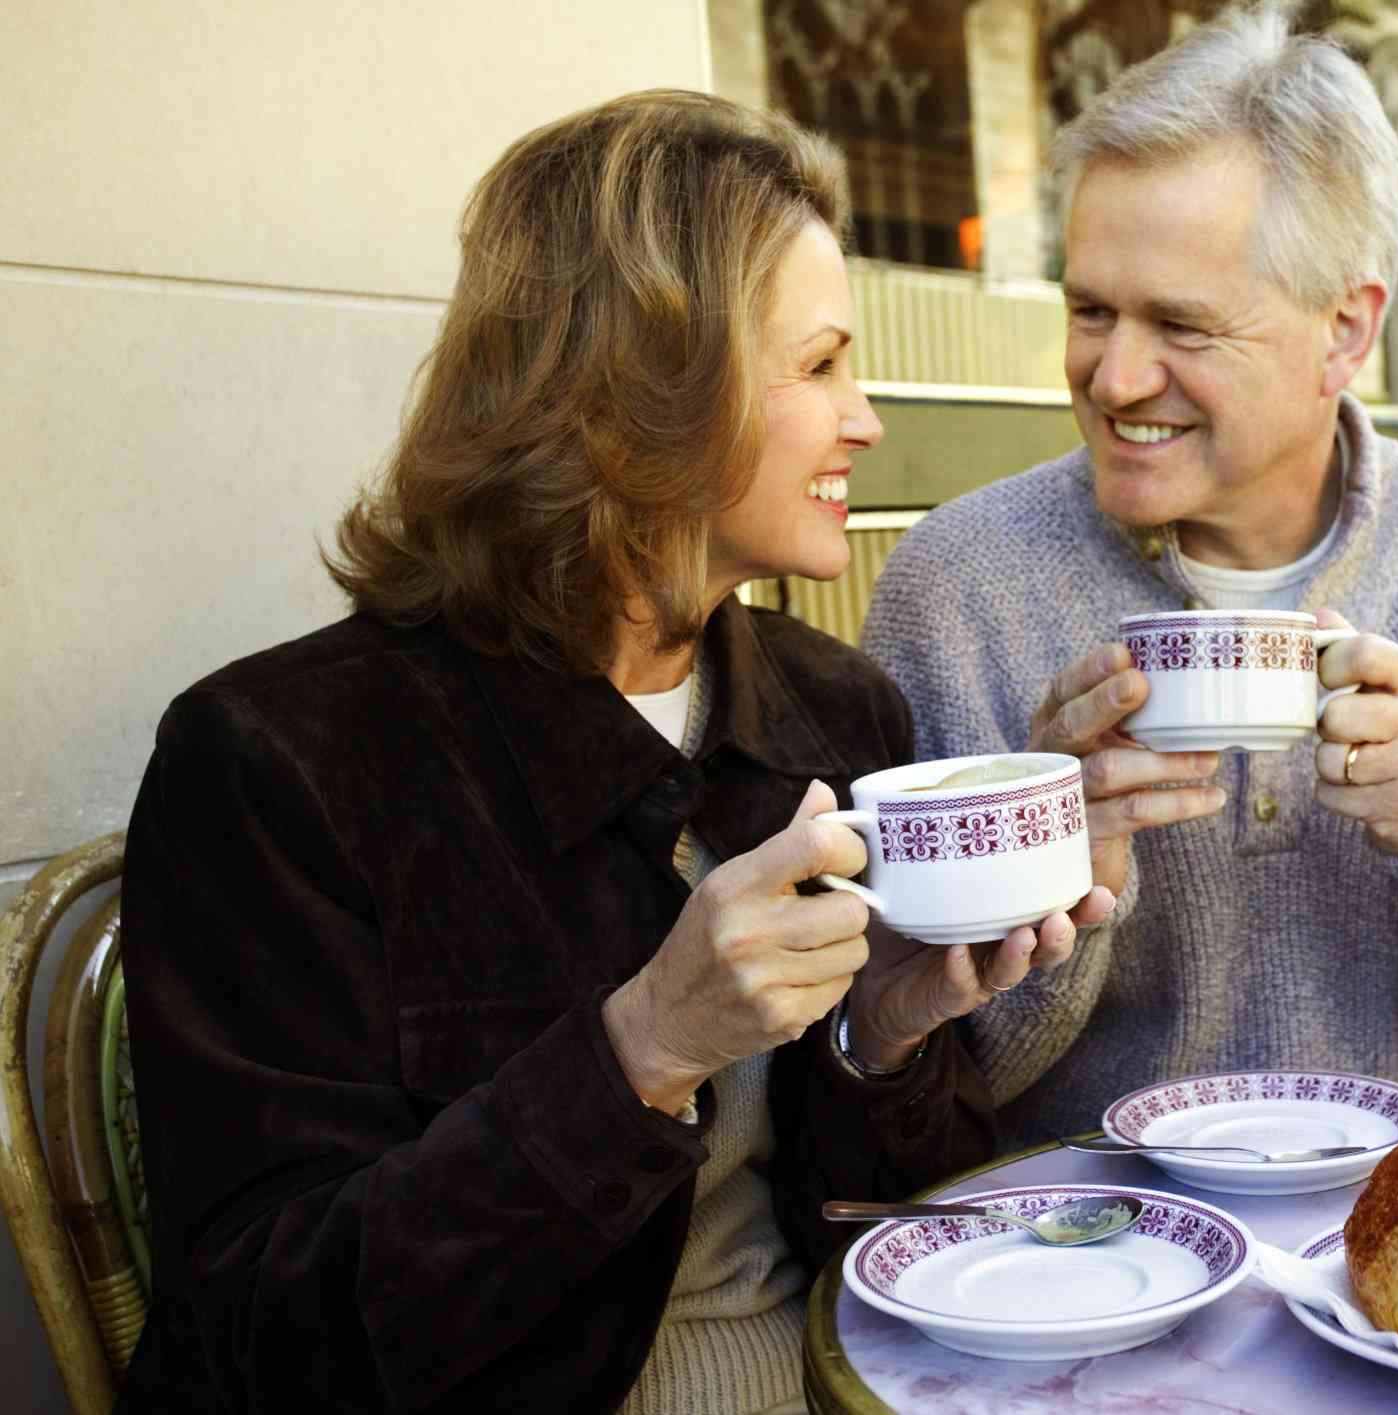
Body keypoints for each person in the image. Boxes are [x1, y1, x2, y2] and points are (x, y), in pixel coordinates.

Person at [118, 91, 1108, 1414]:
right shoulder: (282, 764)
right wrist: (643, 1046)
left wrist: (889, 1034)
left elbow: (898, 1232)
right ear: (633, 403)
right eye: (816, 367)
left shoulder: (832, 713)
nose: (864, 419)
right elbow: (265, 1334)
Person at [862, 5, 1398, 1149]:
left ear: (1345, 332)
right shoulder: (955, 587)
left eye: (1183, 326)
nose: (1113, 376)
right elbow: (898, 1082)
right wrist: (1053, 871)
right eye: (1090, 309)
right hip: (1081, 1260)